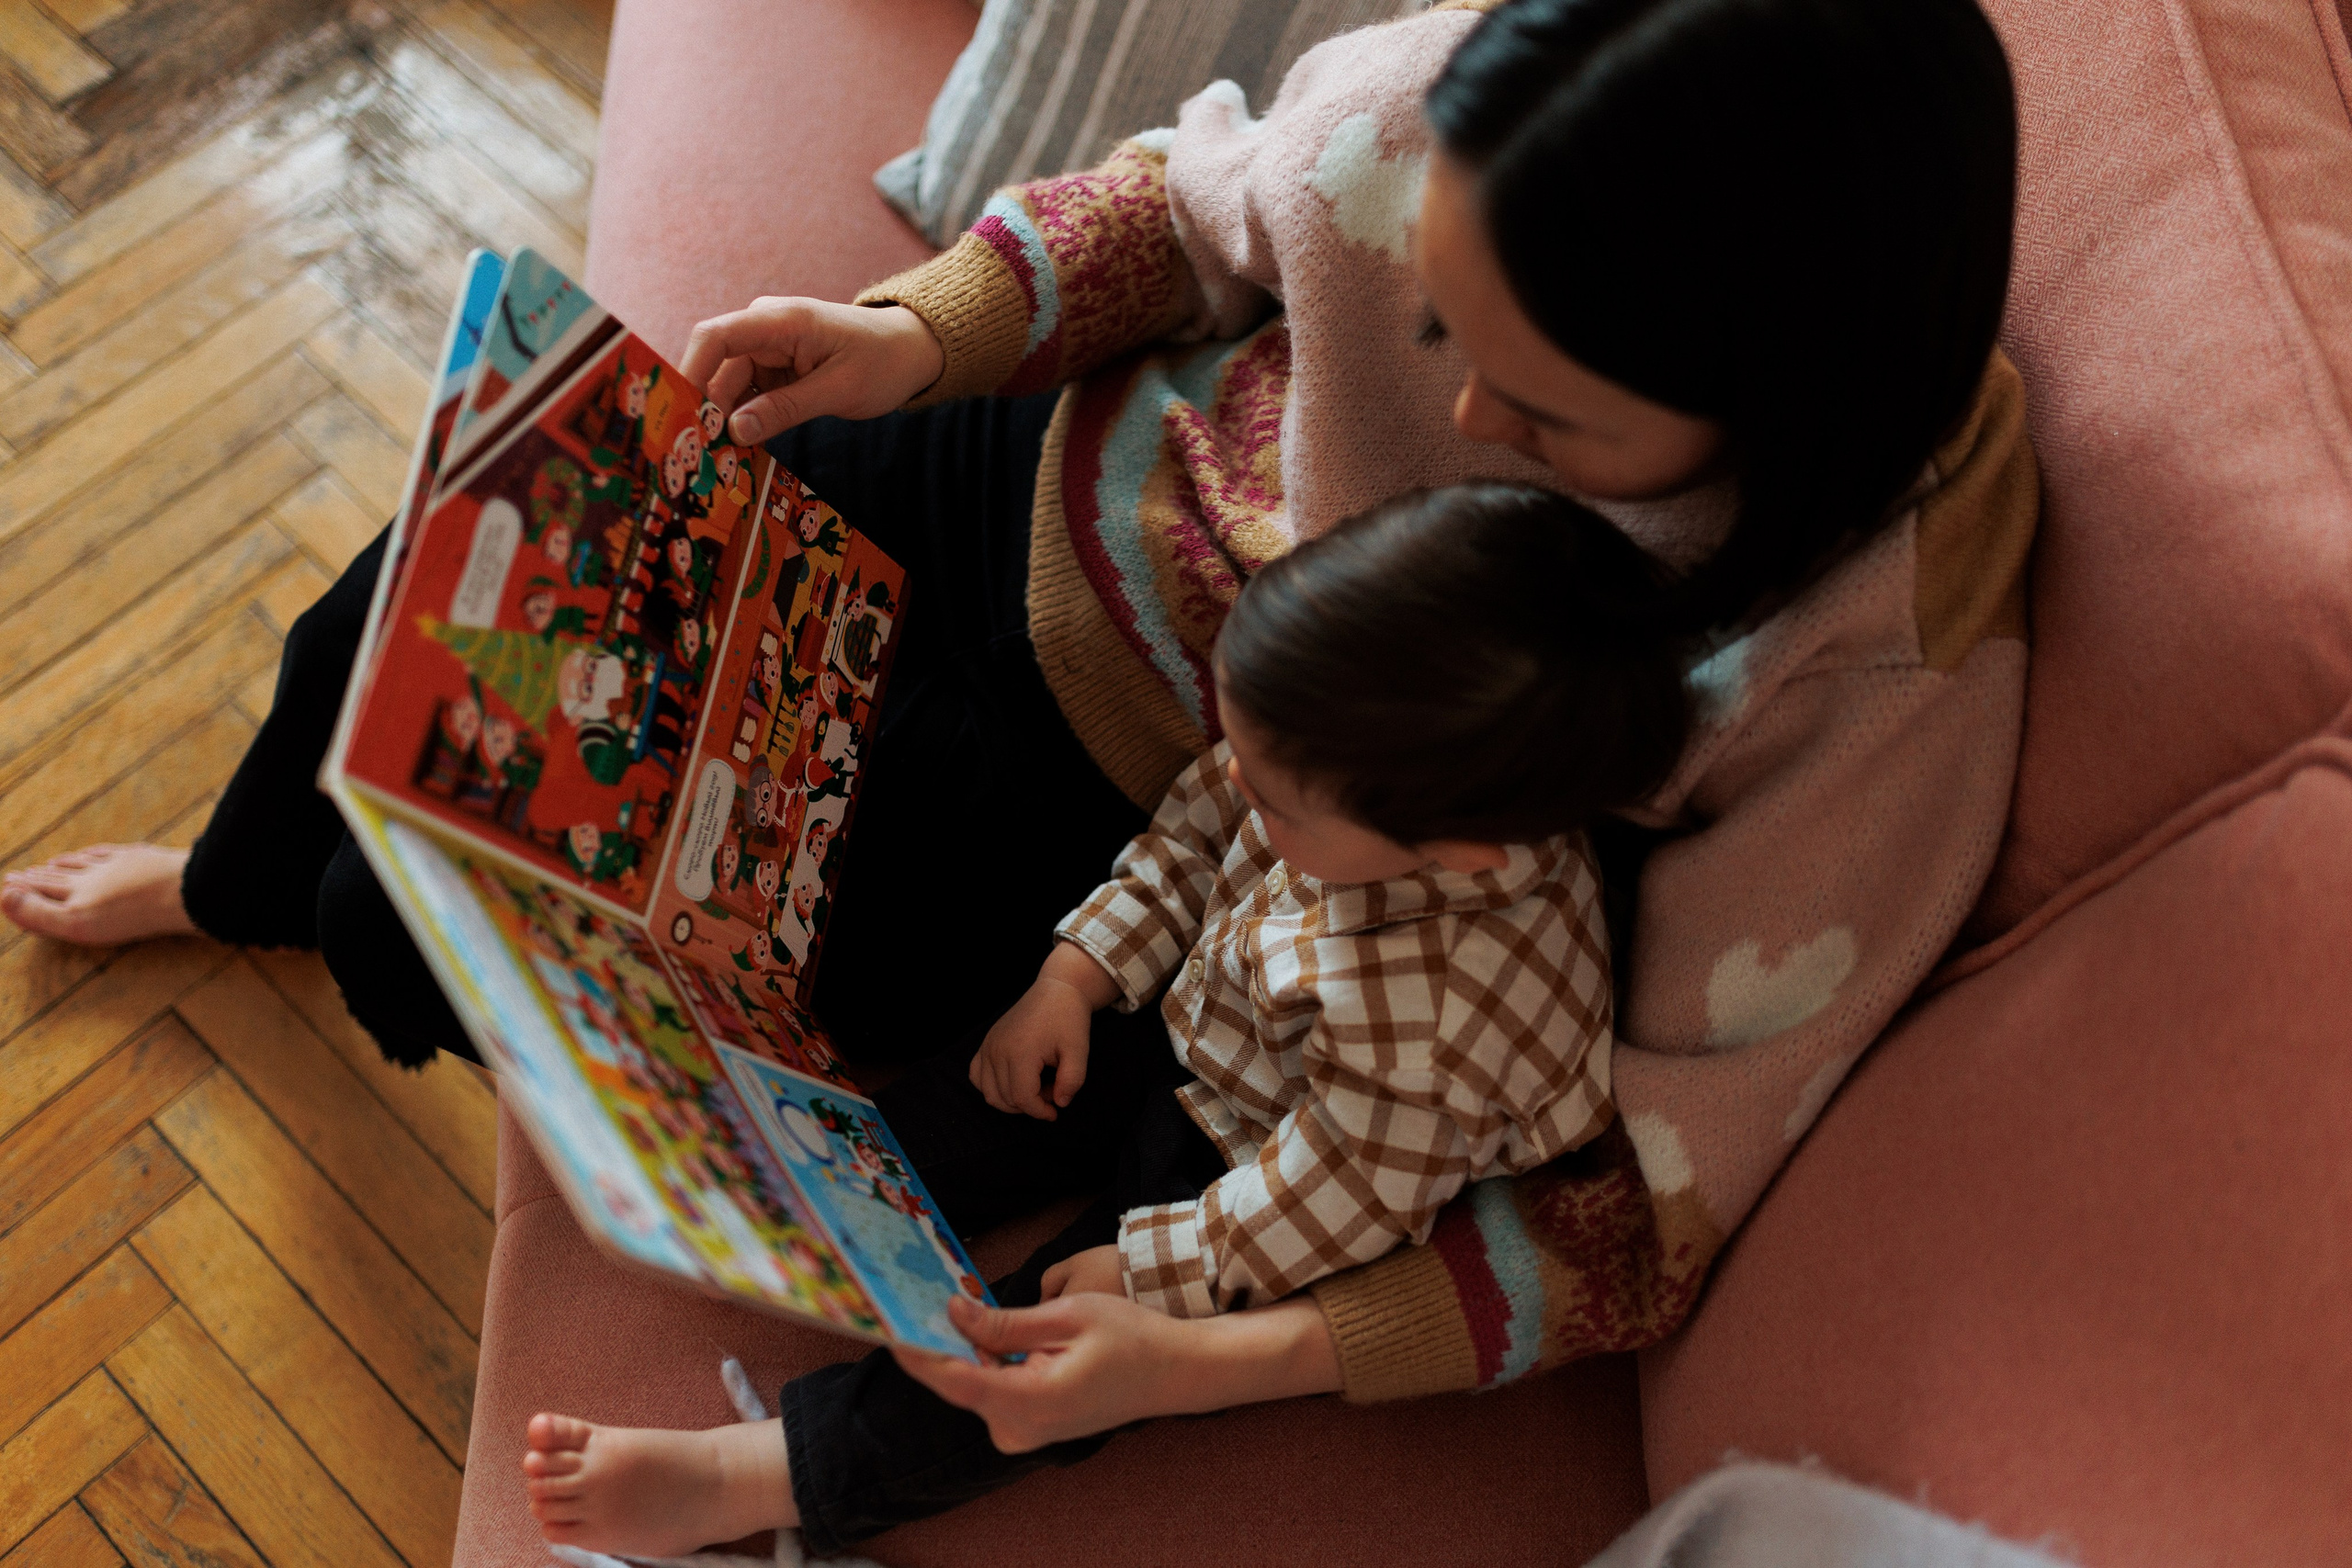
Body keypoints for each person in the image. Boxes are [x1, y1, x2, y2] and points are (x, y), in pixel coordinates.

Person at [0, 0, 2035, 1518]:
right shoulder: (1521, 101)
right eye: (1434, 331)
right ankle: (230, 875)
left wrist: (1228, 1347)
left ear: (1780, 413)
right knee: (424, 593)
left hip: (1112, 805)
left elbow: (1630, 1218)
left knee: (417, 908)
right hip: (1005, 481)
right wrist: (919, 336)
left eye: (1549, 417)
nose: (1465, 410)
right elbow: (1193, 208)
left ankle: (320, 897)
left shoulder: (1876, 652)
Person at [518, 481, 1693, 1551]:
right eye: (1237, 747)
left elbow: (1327, 1204)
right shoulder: (1311, 758)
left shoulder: (1452, 1025)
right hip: (1200, 1023)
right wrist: (1074, 978)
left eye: (1274, 795)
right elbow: (1186, 843)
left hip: (1271, 1165)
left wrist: (1150, 1270)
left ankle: (755, 1476)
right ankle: (776, 1216)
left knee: (1042, 1367)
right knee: (948, 1114)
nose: (1237, 781)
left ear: (1450, 851)